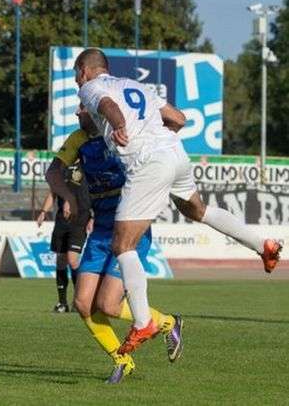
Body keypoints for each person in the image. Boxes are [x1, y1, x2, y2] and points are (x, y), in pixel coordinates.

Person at [74, 48, 281, 354]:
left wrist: (118, 125)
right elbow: (178, 118)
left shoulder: (94, 87)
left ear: (84, 70)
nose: (77, 84)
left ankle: (143, 321)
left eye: (76, 76)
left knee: (122, 246)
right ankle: (262, 245)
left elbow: (106, 106)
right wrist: (156, 136)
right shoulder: (136, 85)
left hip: (148, 163)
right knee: (197, 209)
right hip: (174, 153)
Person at [46, 104, 182, 384]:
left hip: (130, 225)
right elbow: (53, 173)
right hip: (100, 228)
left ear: (97, 111)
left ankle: (168, 322)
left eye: (82, 109)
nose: (77, 114)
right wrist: (69, 199)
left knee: (107, 305)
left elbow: (176, 121)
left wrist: (147, 111)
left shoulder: (126, 130)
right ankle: (122, 359)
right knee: (83, 303)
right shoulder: (77, 139)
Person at [36, 160, 91, 313]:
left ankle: (78, 300)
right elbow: (53, 193)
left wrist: (93, 216)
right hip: (62, 220)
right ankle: (62, 302)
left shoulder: (87, 166)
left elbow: (91, 193)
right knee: (61, 261)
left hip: (79, 218)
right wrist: (43, 212)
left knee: (73, 260)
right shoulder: (61, 168)